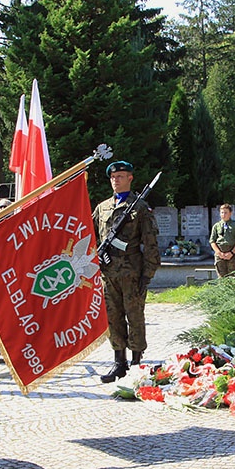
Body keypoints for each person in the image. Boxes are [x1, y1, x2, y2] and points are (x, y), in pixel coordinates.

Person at [92, 161, 160, 383]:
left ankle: (136, 363)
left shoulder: (139, 207)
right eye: (113, 177)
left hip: (132, 272)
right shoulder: (101, 208)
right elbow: (90, 235)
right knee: (113, 317)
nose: (116, 180)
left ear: (130, 178)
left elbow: (150, 243)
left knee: (135, 317)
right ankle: (119, 362)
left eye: (120, 176)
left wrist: (147, 275)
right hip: (108, 272)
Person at [209, 204, 235, 277]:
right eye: (222, 212)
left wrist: (231, 253)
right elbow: (212, 241)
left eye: (226, 212)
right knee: (221, 276)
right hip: (220, 253)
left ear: (230, 213)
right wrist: (219, 253)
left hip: (232, 253)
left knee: (233, 276)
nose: (223, 214)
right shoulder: (216, 226)